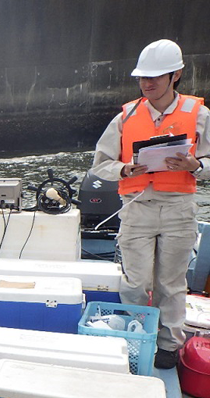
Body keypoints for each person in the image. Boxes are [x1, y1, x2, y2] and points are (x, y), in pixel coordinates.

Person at [91, 39, 210, 370]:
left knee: (171, 283)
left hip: (178, 208)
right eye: (144, 77)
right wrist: (124, 169)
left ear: (176, 75)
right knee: (135, 281)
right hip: (137, 207)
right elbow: (100, 162)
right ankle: (136, 336)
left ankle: (169, 343)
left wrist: (195, 166)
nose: (148, 83)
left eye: (156, 77)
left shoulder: (199, 114)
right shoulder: (126, 116)